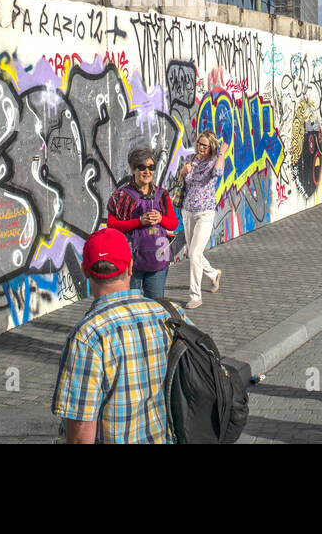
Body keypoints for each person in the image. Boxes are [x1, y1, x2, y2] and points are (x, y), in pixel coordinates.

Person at [51, 227, 191, 443]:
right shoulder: (172, 314)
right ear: (131, 267)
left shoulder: (87, 337)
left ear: (85, 271)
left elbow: (81, 425)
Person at [106, 145, 178, 300]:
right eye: (142, 167)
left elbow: (173, 224)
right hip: (130, 263)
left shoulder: (162, 195)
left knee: (155, 306)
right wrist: (138, 222)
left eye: (151, 167)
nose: (147, 171)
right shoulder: (120, 197)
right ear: (133, 169)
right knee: (129, 306)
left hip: (156, 262)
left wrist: (161, 219)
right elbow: (111, 226)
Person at [178, 130, 227, 308]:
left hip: (205, 213)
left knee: (194, 253)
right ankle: (213, 273)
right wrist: (183, 172)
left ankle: (195, 296)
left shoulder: (213, 162)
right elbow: (184, 182)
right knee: (193, 253)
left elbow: (219, 172)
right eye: (199, 143)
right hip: (188, 211)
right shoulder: (193, 160)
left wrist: (221, 153)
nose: (200, 148)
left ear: (211, 147)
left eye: (205, 145)